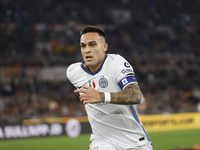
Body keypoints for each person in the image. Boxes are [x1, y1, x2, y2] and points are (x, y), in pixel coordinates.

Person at [66, 25, 153, 150]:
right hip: (102, 142)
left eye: (92, 45)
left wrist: (101, 96)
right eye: (83, 46)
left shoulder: (116, 63)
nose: (87, 50)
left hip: (134, 141)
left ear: (104, 47)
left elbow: (135, 95)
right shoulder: (73, 72)